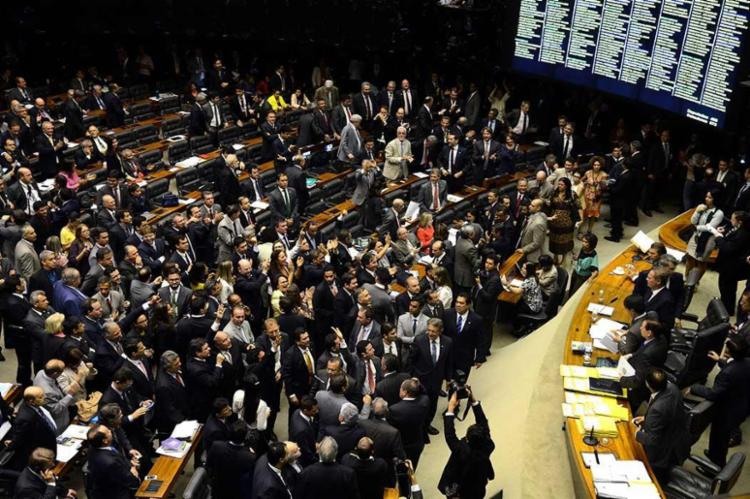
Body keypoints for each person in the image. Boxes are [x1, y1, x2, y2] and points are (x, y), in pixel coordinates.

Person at [688, 336, 750, 467]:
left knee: (719, 438)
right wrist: (720, 360)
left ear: (729, 351)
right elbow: (735, 366)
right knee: (720, 438)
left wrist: (694, 387)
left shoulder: (727, 373)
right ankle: (713, 456)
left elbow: (713, 394)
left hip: (727, 412)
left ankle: (715, 465)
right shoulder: (746, 362)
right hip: (742, 407)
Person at [633, 368, 691, 485]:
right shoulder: (673, 388)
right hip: (678, 439)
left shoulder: (657, 409)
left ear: (647, 384)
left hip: (662, 454)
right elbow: (671, 413)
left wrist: (637, 434)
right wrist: (647, 418)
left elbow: (653, 440)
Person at [439, 388, 495, 499]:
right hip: (478, 488)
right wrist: (474, 401)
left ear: (468, 439)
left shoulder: (461, 450)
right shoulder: (487, 445)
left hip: (460, 491)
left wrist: (450, 407)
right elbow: (483, 423)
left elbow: (449, 434)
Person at [620, 320, 668, 411]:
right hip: (647, 370)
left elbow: (638, 380)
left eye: (642, 326)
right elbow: (643, 349)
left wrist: (620, 379)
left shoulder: (646, 355)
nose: (640, 328)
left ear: (649, 333)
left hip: (639, 391)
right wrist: (631, 355)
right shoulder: (660, 338)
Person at [86, 424, 141, 499]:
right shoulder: (109, 462)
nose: (110, 430)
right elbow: (129, 481)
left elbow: (118, 458)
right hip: (115, 493)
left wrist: (130, 464)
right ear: (104, 440)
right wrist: (134, 471)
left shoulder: (94, 447)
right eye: (108, 432)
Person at [295, 436, 359, 499]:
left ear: (319, 452)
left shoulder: (306, 473)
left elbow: (299, 495)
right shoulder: (348, 474)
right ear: (336, 452)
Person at [206, 420, 255, 499]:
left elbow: (209, 465)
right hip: (236, 492)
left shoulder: (216, 446)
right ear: (245, 437)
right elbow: (249, 480)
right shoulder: (250, 457)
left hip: (218, 488)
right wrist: (249, 451)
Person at [685, 189, 724, 284]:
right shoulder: (702, 207)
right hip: (696, 236)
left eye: (710, 197)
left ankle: (694, 282)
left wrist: (697, 227)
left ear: (715, 199)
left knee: (701, 262)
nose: (706, 199)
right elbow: (693, 221)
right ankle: (687, 279)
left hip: (707, 240)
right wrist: (697, 212)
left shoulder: (719, 213)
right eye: (706, 196)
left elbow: (709, 227)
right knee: (690, 257)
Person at [545, 177, 580, 264]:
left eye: (562, 184)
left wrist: (580, 220)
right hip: (554, 221)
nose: (559, 186)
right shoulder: (554, 193)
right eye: (559, 184)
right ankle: (555, 257)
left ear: (567, 186)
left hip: (567, 222)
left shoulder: (572, 194)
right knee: (554, 240)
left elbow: (579, 206)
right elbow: (549, 205)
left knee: (565, 241)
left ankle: (564, 259)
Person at [580, 156, 608, 236]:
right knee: (584, 214)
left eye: (598, 165)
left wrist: (601, 185)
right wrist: (586, 183)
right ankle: (580, 230)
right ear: (592, 165)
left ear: (601, 165)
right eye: (595, 165)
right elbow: (581, 181)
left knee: (592, 216)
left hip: (596, 198)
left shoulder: (604, 175)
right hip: (587, 196)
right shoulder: (588, 173)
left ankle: (589, 230)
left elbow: (605, 186)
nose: (596, 166)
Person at [515, 199, 548, 264]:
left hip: (532, 256)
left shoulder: (539, 223)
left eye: (532, 206)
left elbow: (537, 243)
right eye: (530, 204)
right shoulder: (538, 214)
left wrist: (523, 250)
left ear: (538, 208)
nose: (529, 206)